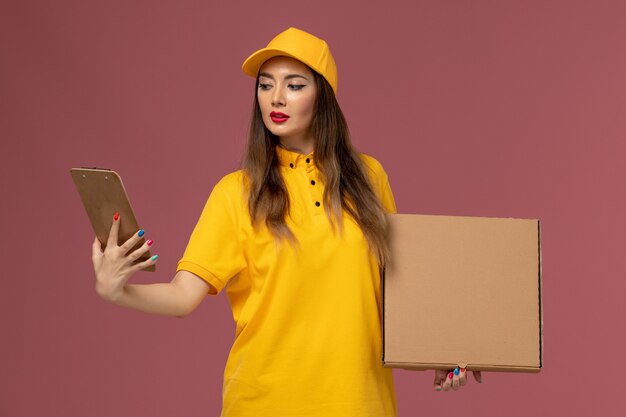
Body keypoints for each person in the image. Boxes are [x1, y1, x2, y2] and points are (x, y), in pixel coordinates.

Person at [91, 27, 482, 417]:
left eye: (294, 85)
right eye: (265, 85)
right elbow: (181, 297)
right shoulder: (237, 192)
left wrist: (441, 354)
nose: (276, 97)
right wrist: (117, 292)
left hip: (360, 405)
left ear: (323, 97)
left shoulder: (369, 179)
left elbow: (390, 305)